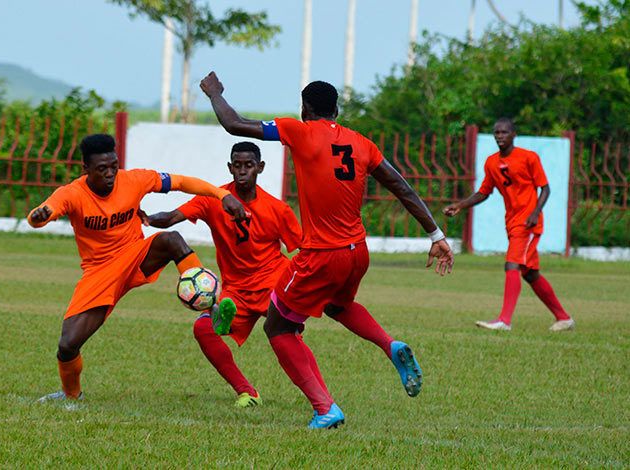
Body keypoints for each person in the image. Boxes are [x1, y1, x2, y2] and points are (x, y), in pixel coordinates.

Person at [199, 72, 454, 428]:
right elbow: (402, 187)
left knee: (278, 328)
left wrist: (215, 93)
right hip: (357, 252)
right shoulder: (362, 143)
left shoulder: (299, 131)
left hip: (321, 254)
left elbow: (233, 124)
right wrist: (436, 234)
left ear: (305, 108)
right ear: (335, 108)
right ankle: (389, 345)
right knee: (338, 305)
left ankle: (324, 408)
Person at [29, 134, 247, 405]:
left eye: (114, 166)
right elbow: (46, 210)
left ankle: (211, 308)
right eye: (102, 169)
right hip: (100, 272)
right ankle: (71, 395)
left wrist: (221, 194)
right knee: (67, 345)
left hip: (136, 254)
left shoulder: (134, 179)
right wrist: (39, 217)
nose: (110, 174)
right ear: (85, 169)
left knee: (171, 239)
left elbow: (180, 182)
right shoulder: (72, 193)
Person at [142, 141, 303, 408]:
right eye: (237, 166)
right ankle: (246, 391)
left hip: (272, 282)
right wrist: (146, 218)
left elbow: (302, 252)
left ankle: (319, 399)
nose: (242, 172)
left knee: (288, 335)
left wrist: (300, 289)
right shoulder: (212, 200)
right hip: (236, 289)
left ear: (260, 168)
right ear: (230, 167)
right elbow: (171, 217)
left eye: (248, 166)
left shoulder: (278, 209)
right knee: (203, 329)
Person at [444, 118, 575, 332]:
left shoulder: (528, 157)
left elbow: (545, 189)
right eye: (496, 132)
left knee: (512, 264)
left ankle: (504, 320)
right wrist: (460, 205)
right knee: (530, 274)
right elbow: (484, 192)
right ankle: (563, 317)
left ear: (514, 134)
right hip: (513, 223)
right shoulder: (492, 162)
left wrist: (535, 213)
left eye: (504, 132)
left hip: (528, 223)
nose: (499, 136)